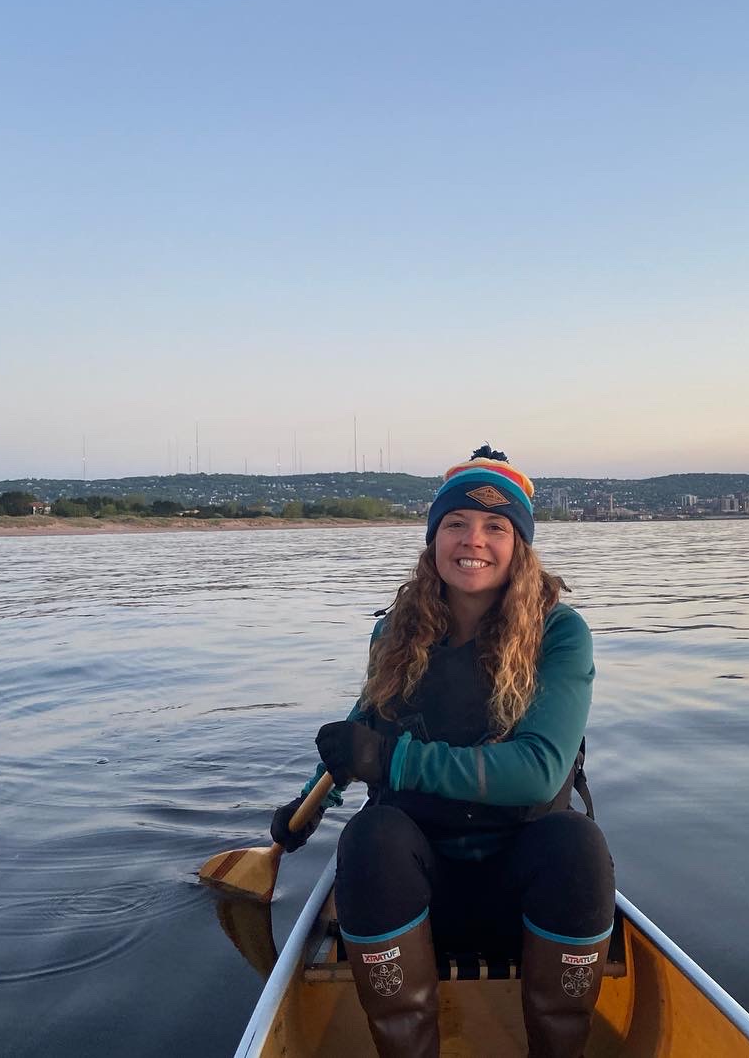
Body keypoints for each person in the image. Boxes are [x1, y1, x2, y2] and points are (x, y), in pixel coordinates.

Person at [270, 446, 615, 1058]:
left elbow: (540, 773)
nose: (472, 540)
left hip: (522, 892)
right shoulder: (395, 630)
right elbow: (363, 729)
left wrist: (391, 761)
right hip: (416, 893)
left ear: (519, 545)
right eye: (456, 523)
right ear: (433, 539)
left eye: (495, 526)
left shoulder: (560, 633)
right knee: (371, 835)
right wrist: (308, 805)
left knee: (577, 843)